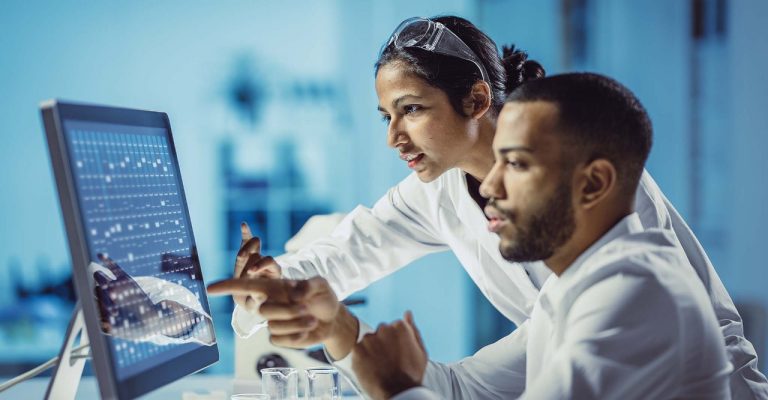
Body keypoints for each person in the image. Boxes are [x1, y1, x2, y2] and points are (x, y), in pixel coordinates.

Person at [227, 16, 767, 397]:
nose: (393, 137)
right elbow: (350, 252)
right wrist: (289, 296)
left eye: (411, 110)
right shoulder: (445, 193)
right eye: (385, 116)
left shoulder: (617, 263)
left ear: (478, 101)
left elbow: (625, 310)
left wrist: (390, 375)